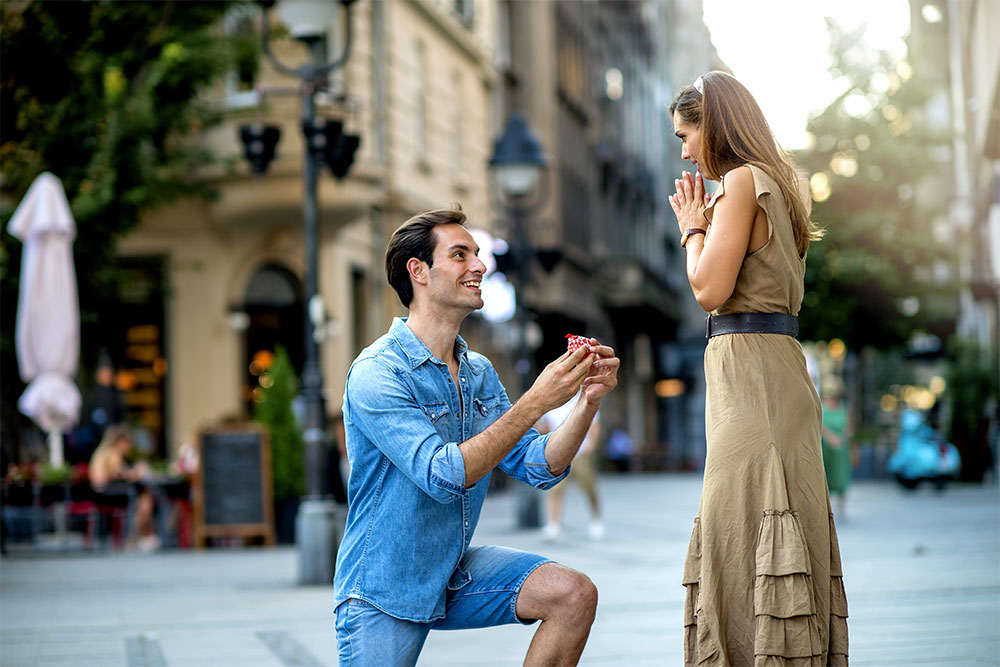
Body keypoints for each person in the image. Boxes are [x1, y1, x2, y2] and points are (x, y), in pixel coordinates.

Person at [333, 208, 620, 666]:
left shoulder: (477, 371)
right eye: (460, 255)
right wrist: (535, 402)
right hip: (382, 587)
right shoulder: (377, 373)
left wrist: (588, 402)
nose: (480, 267)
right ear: (418, 271)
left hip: (453, 570)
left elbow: (539, 464)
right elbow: (443, 475)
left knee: (572, 595)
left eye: (478, 255)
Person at [668, 71, 848, 665]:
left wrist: (693, 230)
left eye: (686, 134)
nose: (687, 150)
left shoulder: (741, 182)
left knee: (739, 524)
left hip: (749, 373)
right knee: (781, 513)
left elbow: (710, 290)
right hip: (780, 366)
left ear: (714, 124)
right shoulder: (790, 182)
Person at [538, 393, 605, 541]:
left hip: (581, 453)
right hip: (559, 455)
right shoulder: (553, 404)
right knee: (555, 490)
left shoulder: (584, 401)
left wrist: (591, 446)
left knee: (589, 488)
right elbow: (548, 429)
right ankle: (554, 525)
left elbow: (594, 425)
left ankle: (596, 519)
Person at [89, 425, 158, 551]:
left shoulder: (101, 453)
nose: (129, 446)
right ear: (120, 442)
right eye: (128, 442)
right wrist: (137, 471)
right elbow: (122, 474)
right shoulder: (113, 454)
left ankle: (139, 535)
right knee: (144, 499)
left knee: (142, 496)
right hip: (109, 494)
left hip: (98, 494)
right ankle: (138, 536)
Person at [821, 378, 853, 516]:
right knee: (825, 475)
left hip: (840, 448)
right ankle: (824, 506)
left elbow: (850, 427)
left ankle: (841, 505)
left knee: (840, 476)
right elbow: (819, 426)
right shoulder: (820, 408)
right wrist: (830, 438)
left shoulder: (845, 408)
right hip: (825, 447)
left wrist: (842, 438)